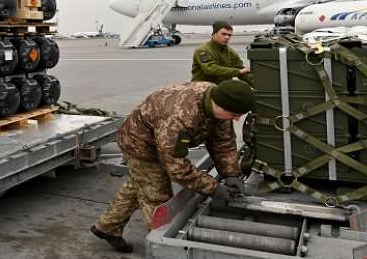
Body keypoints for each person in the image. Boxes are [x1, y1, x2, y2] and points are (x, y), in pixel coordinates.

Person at [91, 80, 253, 253]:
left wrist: (231, 174)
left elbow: (223, 143)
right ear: (218, 104)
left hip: (161, 139)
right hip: (141, 144)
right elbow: (177, 168)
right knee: (157, 197)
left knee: (139, 185)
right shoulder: (179, 116)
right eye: (234, 114)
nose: (237, 118)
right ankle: (163, 251)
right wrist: (213, 188)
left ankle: (107, 228)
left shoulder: (219, 102)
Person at [191, 21, 254, 87]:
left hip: (221, 89)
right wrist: (238, 71)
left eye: (229, 35)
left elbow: (241, 70)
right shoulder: (203, 50)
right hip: (202, 89)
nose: (227, 37)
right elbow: (210, 69)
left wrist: (258, 84)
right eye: (223, 34)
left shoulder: (231, 52)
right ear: (214, 34)